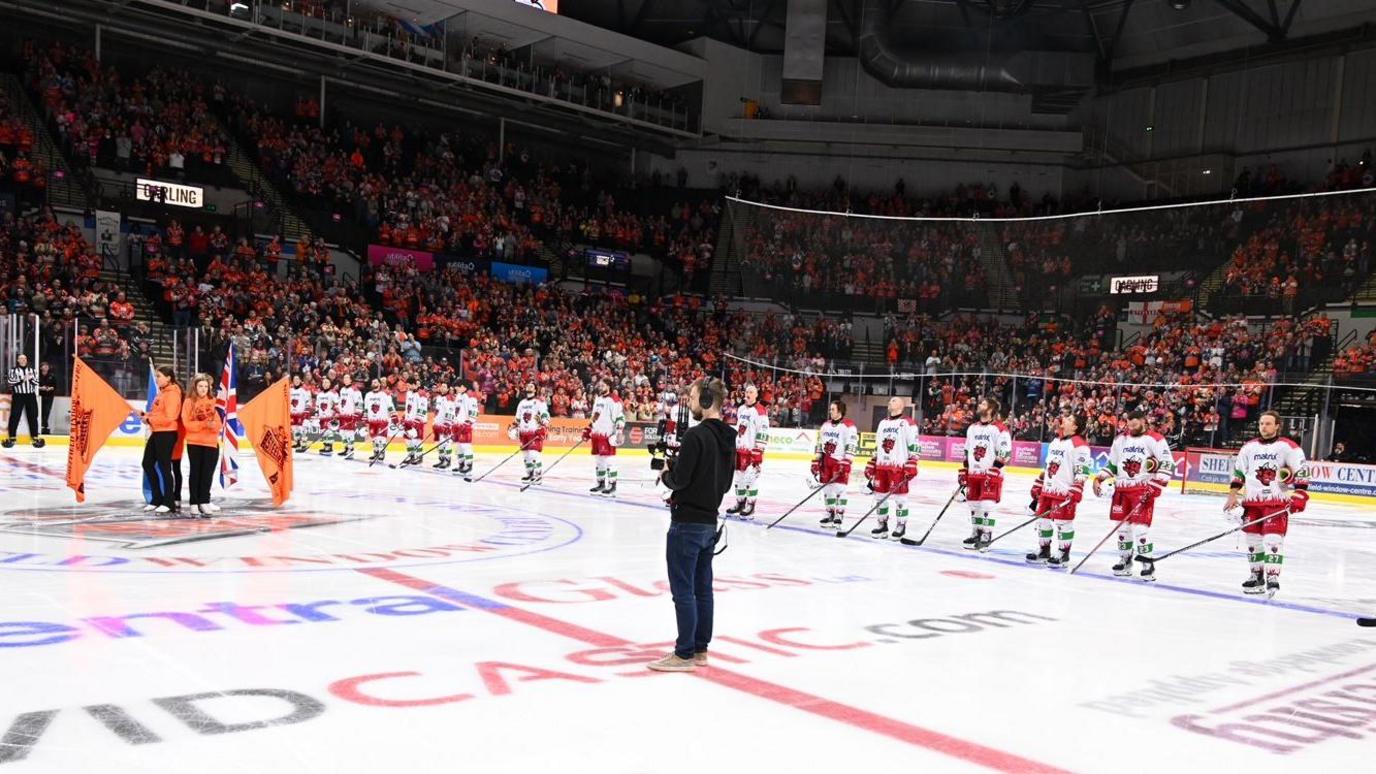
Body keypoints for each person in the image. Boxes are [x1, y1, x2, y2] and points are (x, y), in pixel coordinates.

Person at [648, 377, 736, 673]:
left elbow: (680, 480)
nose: (691, 402)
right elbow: (724, 484)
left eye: (695, 397)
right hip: (709, 524)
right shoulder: (728, 438)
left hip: (686, 523)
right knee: (703, 589)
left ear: (708, 401)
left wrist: (666, 475)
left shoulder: (696, 436)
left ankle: (684, 653)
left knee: (683, 590)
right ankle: (700, 649)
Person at [1224, 410, 1309, 598]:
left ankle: (1272, 576)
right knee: (1253, 541)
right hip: (1252, 503)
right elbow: (1238, 473)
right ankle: (1256, 575)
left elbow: (1302, 472)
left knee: (1273, 540)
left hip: (1276, 503)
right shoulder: (1248, 447)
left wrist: (1300, 495)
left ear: (1277, 425)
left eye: (1268, 423)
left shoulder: (1289, 447)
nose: (1264, 427)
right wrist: (1232, 495)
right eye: (1262, 423)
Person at [1093, 410, 1173, 581]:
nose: (1131, 428)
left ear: (1144, 421)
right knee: (1122, 528)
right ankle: (1125, 559)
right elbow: (1112, 465)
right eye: (1128, 425)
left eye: (1135, 425)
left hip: (1142, 489)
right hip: (1121, 489)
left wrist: (1156, 486)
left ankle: (1147, 562)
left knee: (1141, 528)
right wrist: (1099, 478)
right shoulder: (1120, 440)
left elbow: (1167, 464)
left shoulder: (1155, 439)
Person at [1026, 412, 1091, 568]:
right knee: (1042, 520)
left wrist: (1077, 488)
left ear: (1075, 426)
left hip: (1064, 491)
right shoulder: (1055, 441)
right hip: (1048, 490)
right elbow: (1048, 465)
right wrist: (1039, 482)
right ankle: (1044, 550)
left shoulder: (1080, 445)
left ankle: (1063, 553)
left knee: (1063, 522)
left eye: (1069, 419)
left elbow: (1082, 471)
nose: (1064, 419)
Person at [960, 396, 1011, 552]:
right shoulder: (972, 428)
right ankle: (976, 532)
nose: (979, 405)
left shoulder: (1000, 429)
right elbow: (967, 450)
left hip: (991, 474)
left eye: (983, 403)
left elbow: (1004, 452)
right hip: (974, 473)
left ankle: (986, 535)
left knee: (987, 505)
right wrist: (965, 470)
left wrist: (995, 469)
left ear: (990, 409)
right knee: (974, 505)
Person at [865, 396, 919, 540]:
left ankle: (901, 525)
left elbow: (914, 445)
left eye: (894, 400)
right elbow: (878, 445)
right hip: (882, 466)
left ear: (901, 406)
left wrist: (912, 462)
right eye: (890, 401)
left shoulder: (908, 423)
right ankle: (882, 524)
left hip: (898, 466)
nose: (890, 402)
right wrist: (872, 463)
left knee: (900, 498)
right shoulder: (882, 423)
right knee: (879, 497)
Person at [140, 366, 183, 514]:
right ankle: (157, 497)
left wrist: (150, 419)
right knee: (147, 463)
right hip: (157, 432)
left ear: (168, 378)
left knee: (165, 467)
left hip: (167, 433)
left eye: (159, 376)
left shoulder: (172, 394)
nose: (157, 378)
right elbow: (158, 413)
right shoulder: (162, 393)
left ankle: (169, 501)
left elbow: (170, 416)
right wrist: (147, 416)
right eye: (157, 376)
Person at [181, 373, 223, 517]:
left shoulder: (213, 401)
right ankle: (194, 502)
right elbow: (187, 424)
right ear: (195, 387)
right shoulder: (188, 402)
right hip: (194, 442)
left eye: (206, 386)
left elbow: (219, 424)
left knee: (207, 474)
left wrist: (212, 425)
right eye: (200, 386)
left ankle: (204, 501)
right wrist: (205, 424)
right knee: (195, 473)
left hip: (211, 443)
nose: (203, 389)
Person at [726, 384, 769, 519]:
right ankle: (740, 502)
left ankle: (750, 505)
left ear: (756, 395)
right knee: (739, 477)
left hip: (751, 451)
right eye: (747, 392)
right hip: (739, 450)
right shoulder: (741, 409)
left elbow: (763, 431)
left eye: (751, 392)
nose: (748, 394)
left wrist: (758, 451)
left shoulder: (760, 411)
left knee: (750, 478)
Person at [813, 399, 857, 528]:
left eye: (833, 409)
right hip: (826, 461)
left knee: (839, 489)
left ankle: (839, 513)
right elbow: (820, 442)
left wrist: (847, 460)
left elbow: (852, 444)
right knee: (826, 490)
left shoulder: (849, 426)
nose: (830, 411)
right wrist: (817, 459)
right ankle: (830, 512)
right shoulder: (825, 425)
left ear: (840, 411)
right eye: (830, 409)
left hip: (840, 461)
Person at [585, 380, 626, 497]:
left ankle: (612, 485)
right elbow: (594, 416)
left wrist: (619, 431)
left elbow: (620, 416)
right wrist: (588, 429)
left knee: (609, 461)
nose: (600, 387)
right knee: (599, 460)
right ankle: (601, 483)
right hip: (597, 434)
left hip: (607, 434)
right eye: (600, 385)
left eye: (603, 385)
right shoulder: (598, 399)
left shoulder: (614, 400)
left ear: (608, 386)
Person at [510, 382, 549, 483]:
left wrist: (544, 425)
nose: (529, 387)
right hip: (523, 432)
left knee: (533, 454)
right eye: (528, 385)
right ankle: (530, 474)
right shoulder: (522, 403)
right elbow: (518, 418)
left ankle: (538, 475)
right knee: (526, 455)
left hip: (534, 431)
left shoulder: (538, 402)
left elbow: (544, 414)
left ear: (535, 390)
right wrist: (514, 426)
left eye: (531, 386)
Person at [3, 353, 41, 448]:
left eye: (24, 358)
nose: (23, 360)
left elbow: (36, 382)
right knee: (15, 416)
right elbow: (11, 382)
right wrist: (23, 380)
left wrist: (30, 379)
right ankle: (12, 437)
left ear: (26, 360)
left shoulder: (32, 370)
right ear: (18, 360)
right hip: (18, 395)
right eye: (21, 358)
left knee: (33, 416)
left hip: (30, 395)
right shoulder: (13, 370)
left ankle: (35, 437)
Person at [363, 378, 396, 463]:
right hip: (372, 420)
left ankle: (381, 453)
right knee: (374, 438)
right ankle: (376, 452)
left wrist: (394, 416)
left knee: (381, 438)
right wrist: (365, 419)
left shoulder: (385, 394)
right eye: (373, 382)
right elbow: (366, 408)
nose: (374, 383)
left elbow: (390, 406)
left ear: (379, 384)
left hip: (382, 420)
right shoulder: (368, 395)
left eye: (376, 382)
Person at [452, 380, 480, 478]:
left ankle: (469, 466)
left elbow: (474, 412)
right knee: (459, 447)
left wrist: (468, 423)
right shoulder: (458, 397)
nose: (455, 388)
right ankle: (461, 465)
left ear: (463, 387)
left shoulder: (470, 397)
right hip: (457, 425)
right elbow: (456, 412)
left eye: (457, 387)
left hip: (465, 426)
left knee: (466, 447)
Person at [400, 379, 430, 467]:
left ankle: (419, 457)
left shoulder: (421, 394)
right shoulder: (409, 393)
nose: (408, 387)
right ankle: (411, 455)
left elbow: (423, 408)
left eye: (409, 385)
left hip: (417, 421)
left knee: (417, 440)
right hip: (408, 420)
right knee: (407, 439)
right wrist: (404, 417)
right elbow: (407, 407)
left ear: (414, 385)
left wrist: (418, 419)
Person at [431, 382, 458, 469]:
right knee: (439, 443)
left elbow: (450, 412)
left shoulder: (449, 398)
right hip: (438, 424)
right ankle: (442, 459)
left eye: (445, 386)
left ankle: (447, 460)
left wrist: (447, 424)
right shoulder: (439, 398)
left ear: (448, 389)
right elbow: (437, 411)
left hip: (446, 424)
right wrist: (435, 422)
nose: (442, 388)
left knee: (446, 443)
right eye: (441, 386)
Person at [337, 377, 364, 459]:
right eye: (344, 378)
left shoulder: (355, 390)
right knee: (342, 432)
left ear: (351, 380)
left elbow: (359, 403)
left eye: (347, 378)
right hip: (342, 415)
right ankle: (346, 448)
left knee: (349, 433)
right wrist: (338, 411)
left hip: (351, 415)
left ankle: (351, 449)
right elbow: (340, 402)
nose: (345, 379)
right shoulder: (342, 389)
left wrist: (357, 414)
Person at [314, 376, 341, 456]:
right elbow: (317, 406)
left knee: (329, 432)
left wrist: (336, 414)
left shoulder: (333, 393)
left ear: (330, 384)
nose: (325, 384)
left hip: (330, 417)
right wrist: (316, 414)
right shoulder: (319, 394)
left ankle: (329, 447)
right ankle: (325, 446)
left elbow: (337, 405)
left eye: (327, 382)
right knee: (323, 432)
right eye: (324, 382)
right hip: (322, 417)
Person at [290, 374, 313, 452]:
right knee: (294, 429)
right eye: (294, 379)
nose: (296, 381)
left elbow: (309, 401)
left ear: (300, 380)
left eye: (297, 379)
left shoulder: (305, 389)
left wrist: (306, 412)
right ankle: (298, 442)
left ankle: (304, 444)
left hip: (301, 413)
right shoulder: (290, 390)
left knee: (302, 429)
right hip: (293, 413)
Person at [38, 361, 56, 436]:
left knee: (47, 411)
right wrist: (40, 388)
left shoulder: (52, 375)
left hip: (49, 396)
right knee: (40, 411)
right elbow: (35, 385)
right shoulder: (38, 376)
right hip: (40, 396)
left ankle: (44, 426)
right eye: (44, 366)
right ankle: (42, 426)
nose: (46, 367)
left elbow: (55, 386)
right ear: (41, 367)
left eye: (47, 366)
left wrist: (50, 388)